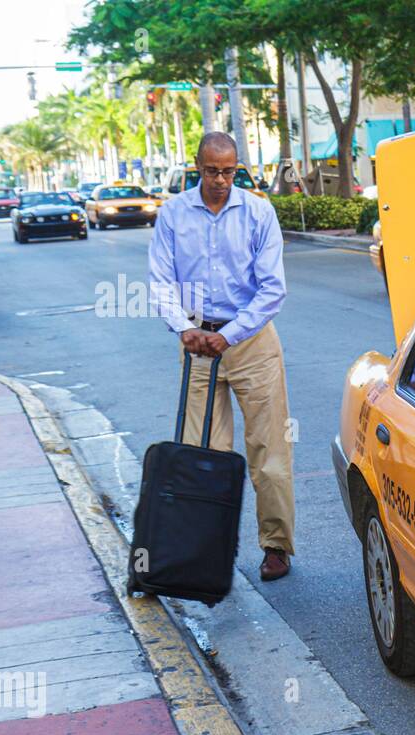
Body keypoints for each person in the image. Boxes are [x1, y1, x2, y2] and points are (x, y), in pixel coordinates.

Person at [148, 131, 295, 581]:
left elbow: (272, 288)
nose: (220, 180)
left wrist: (228, 335)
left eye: (228, 171)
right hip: (198, 344)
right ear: (197, 168)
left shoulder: (257, 211)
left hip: (250, 343)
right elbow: (160, 282)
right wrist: (186, 329)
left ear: (237, 169)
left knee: (269, 451)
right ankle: (205, 549)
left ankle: (276, 547)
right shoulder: (173, 214)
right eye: (212, 171)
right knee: (201, 452)